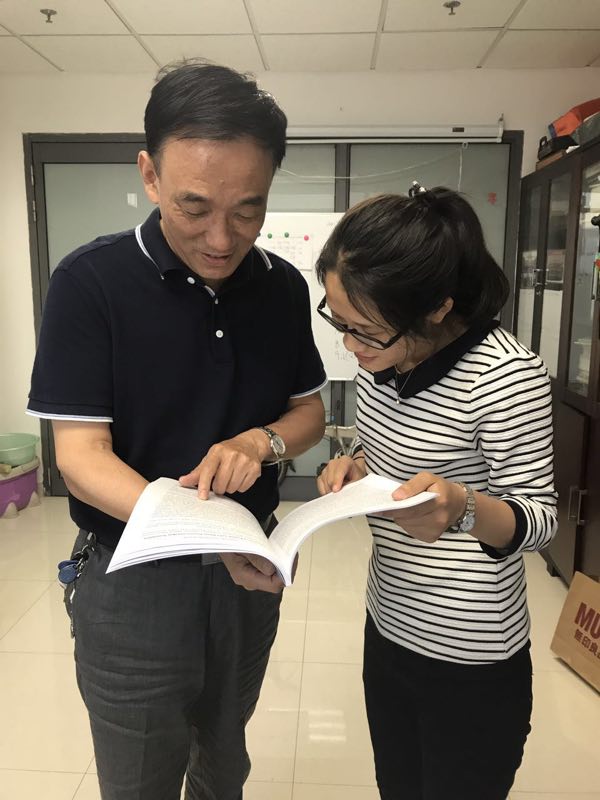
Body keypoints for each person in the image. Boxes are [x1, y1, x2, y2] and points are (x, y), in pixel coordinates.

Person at [27, 59, 326, 800]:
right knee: (139, 780)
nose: (222, 238)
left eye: (248, 210)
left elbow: (308, 413)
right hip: (132, 576)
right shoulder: (89, 283)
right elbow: (82, 458)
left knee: (225, 763)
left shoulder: (282, 286)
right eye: (195, 207)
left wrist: (261, 442)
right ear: (150, 175)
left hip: (247, 576)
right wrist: (205, 530)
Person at [315, 185, 557, 800]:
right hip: (388, 623)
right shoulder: (382, 363)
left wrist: (463, 508)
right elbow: (386, 448)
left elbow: (540, 519)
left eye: (365, 331)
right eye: (340, 322)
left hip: (471, 654)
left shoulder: (506, 375)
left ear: (435, 309)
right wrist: (354, 466)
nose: (350, 346)